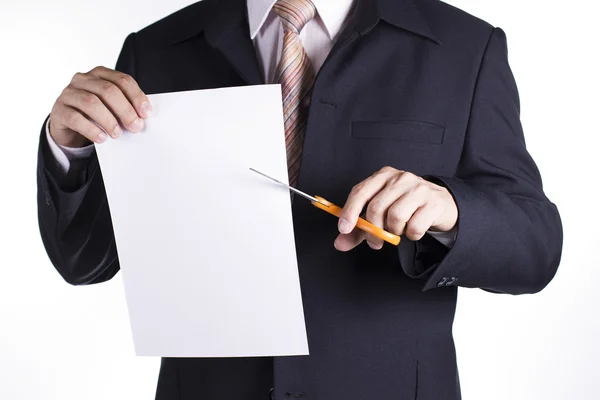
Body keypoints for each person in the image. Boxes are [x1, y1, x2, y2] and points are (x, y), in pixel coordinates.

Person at [36, 0, 563, 398]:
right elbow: (85, 260)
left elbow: (536, 246)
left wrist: (452, 211)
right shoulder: (155, 50)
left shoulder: (465, 48)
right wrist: (68, 149)